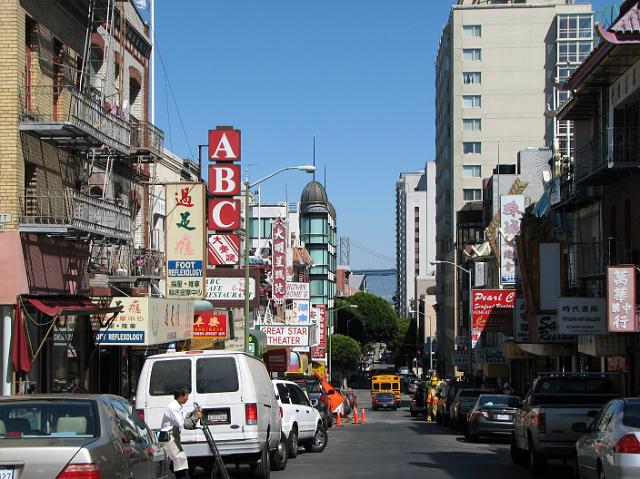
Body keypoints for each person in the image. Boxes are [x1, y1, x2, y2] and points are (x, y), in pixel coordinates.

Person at [161, 385, 202, 479]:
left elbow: (183, 419)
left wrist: (194, 413)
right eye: (186, 396)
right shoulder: (173, 407)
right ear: (180, 396)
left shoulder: (177, 406)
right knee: (180, 459)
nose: (187, 399)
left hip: (173, 436)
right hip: (167, 436)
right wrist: (195, 417)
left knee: (177, 460)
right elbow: (182, 424)